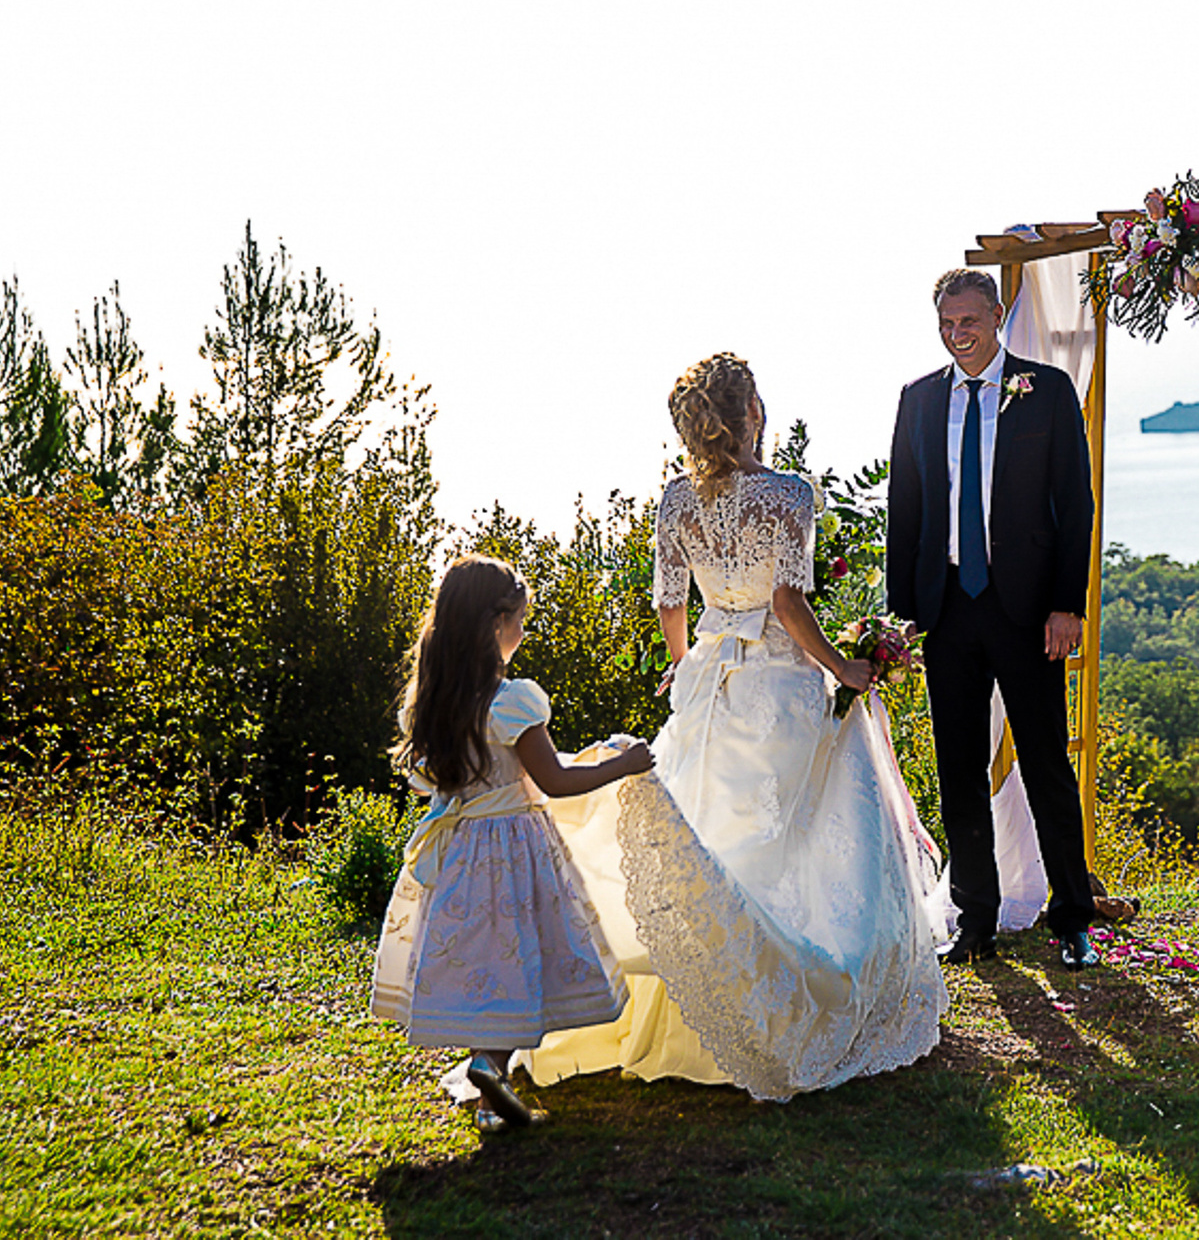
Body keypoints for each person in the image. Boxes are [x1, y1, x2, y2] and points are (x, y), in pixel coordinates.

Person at [522, 352, 948, 1101]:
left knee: (709, 830)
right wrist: (842, 668)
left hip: (710, 682)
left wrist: (688, 664)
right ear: (752, 410)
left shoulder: (674, 499)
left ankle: (705, 996)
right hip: (778, 682)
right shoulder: (789, 492)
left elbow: (667, 604)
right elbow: (786, 602)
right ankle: (779, 1007)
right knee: (786, 838)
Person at [371, 554, 655, 1132]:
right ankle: (488, 1066)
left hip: (459, 853)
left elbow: (486, 778)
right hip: (517, 850)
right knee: (523, 953)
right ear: (495, 624)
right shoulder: (513, 700)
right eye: (520, 619)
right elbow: (553, 781)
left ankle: (487, 1090)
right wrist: (624, 765)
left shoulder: (433, 702)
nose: (522, 632)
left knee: (481, 959)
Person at [888, 268, 1102, 971]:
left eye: (970, 323)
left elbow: (1076, 504)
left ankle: (1071, 913)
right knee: (957, 768)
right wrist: (903, 618)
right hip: (947, 608)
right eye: (947, 325)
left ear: (999, 315)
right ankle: (974, 918)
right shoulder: (918, 400)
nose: (958, 337)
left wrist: (1067, 604)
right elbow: (906, 512)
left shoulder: (1046, 390)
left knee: (1045, 761)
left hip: (1029, 610)